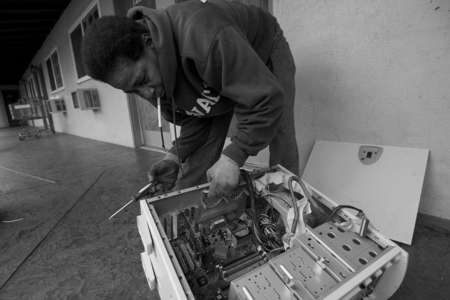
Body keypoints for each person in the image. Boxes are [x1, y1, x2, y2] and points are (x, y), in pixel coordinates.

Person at [82, 0, 298, 198]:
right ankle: (192, 210)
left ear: (149, 42)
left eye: (142, 80)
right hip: (213, 66)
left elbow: (267, 99)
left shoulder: (203, 35)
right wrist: (174, 156)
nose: (146, 93)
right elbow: (196, 117)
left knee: (280, 131)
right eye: (133, 91)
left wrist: (234, 156)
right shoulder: (151, 75)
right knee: (202, 153)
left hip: (263, 48)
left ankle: (288, 207)